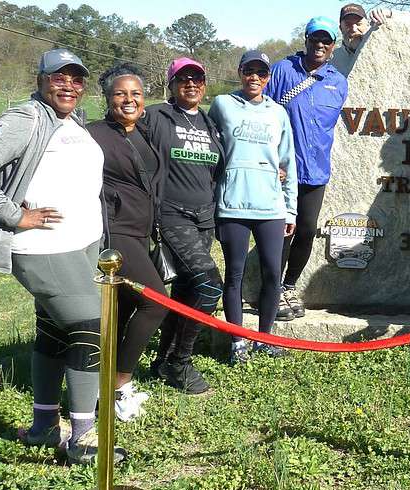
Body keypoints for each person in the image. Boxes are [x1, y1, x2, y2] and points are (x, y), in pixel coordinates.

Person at [0, 49, 122, 465]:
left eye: (77, 79)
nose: (69, 85)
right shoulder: (27, 118)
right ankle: (83, 438)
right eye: (59, 77)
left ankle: (43, 427)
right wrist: (13, 214)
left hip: (81, 244)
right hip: (43, 247)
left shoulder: (69, 121)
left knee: (53, 331)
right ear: (41, 78)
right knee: (90, 326)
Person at [87, 62, 168, 421]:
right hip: (115, 231)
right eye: (120, 93)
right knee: (156, 303)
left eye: (135, 93)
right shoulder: (93, 134)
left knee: (118, 312)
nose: (129, 99)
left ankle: (99, 390)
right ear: (108, 98)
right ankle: (120, 385)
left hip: (142, 230)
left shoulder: (146, 132)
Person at [208, 50, 298, 363]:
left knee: (273, 272)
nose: (254, 78)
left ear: (269, 77)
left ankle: (264, 338)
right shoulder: (222, 105)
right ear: (240, 72)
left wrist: (291, 209)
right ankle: (238, 341)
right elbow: (209, 147)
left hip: (271, 208)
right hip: (233, 205)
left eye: (261, 72)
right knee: (234, 274)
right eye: (249, 71)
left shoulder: (278, 113)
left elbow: (288, 163)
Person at [145, 57, 225, 395]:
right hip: (172, 215)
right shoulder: (157, 116)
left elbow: (218, 168)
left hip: (204, 218)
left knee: (186, 292)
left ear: (204, 85)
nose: (190, 84)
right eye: (183, 79)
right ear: (172, 85)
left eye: (197, 79)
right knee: (210, 287)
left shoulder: (209, 123)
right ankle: (181, 362)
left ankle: (163, 359)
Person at [267, 16, 349, 320]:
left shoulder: (337, 82)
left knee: (306, 231)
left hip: (316, 173)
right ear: (306, 39)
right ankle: (271, 290)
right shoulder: (281, 71)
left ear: (332, 46)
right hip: (282, 171)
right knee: (279, 233)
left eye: (326, 40)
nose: (320, 45)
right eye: (315, 39)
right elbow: (265, 115)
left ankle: (289, 286)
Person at [331, 2, 391, 75]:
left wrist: (390, 13)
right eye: (348, 24)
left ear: (367, 24)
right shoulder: (332, 59)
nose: (354, 29)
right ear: (340, 28)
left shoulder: (381, 48)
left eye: (359, 24)